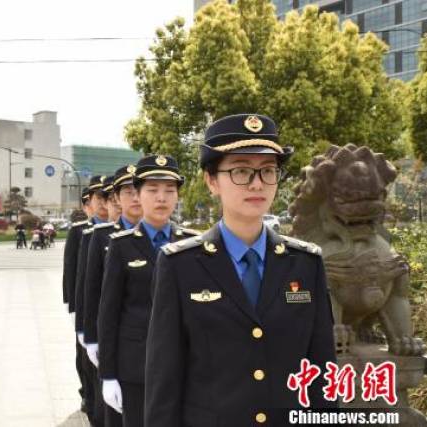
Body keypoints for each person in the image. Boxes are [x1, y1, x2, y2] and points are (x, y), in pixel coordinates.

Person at [144, 114, 337, 427]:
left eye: (268, 170)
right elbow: (164, 379)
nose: (257, 183)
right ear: (211, 180)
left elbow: (321, 371)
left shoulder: (305, 263)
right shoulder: (180, 265)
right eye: (241, 171)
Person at [98, 155, 199, 427]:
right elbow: (109, 313)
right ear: (139, 195)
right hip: (136, 366)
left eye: (169, 190)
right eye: (152, 190)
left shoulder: (192, 243)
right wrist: (108, 374)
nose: (161, 198)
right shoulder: (121, 245)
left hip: (185, 363)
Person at [83, 165, 143, 427]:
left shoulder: (176, 239)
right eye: (128, 192)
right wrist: (88, 335)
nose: (136, 198)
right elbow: (92, 291)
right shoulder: (104, 237)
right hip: (121, 343)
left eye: (138, 190)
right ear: (116, 197)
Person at [75, 175, 110, 426]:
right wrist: (76, 312)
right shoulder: (85, 233)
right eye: (98, 198)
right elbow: (77, 275)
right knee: (86, 361)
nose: (103, 204)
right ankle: (87, 394)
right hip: (89, 309)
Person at [62, 186, 95, 414]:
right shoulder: (79, 231)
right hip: (83, 304)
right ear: (86, 205)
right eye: (97, 199)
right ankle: (86, 392)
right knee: (83, 354)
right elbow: (71, 267)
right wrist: (72, 304)